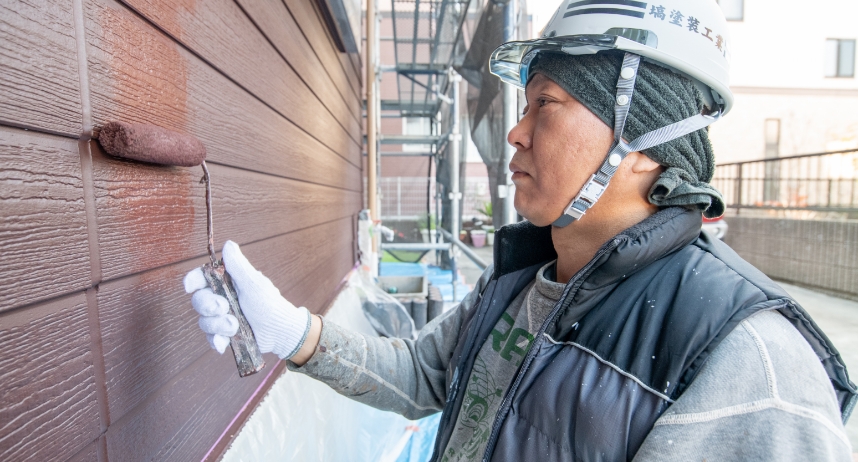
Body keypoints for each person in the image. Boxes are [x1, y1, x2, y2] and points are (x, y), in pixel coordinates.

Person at [184, 1, 856, 460]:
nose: (515, 130)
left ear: (644, 142)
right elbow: (425, 374)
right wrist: (293, 334)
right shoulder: (522, 282)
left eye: (548, 104)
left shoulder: (747, 358)